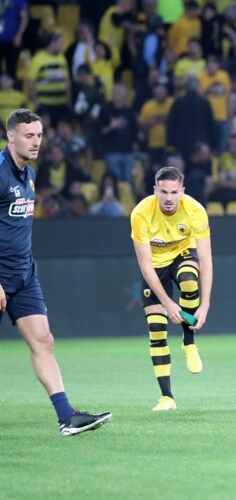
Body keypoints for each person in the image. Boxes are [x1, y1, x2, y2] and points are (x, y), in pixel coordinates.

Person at [0, 109, 111, 435]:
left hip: (24, 276)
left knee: (43, 341)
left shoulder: (30, 174)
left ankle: (67, 417)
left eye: (39, 135)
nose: (36, 141)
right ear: (11, 136)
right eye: (29, 135)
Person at [130, 166, 212, 411]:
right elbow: (146, 267)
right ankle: (167, 397)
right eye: (163, 192)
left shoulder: (195, 210)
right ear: (155, 190)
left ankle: (189, 343)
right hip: (155, 267)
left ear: (182, 192)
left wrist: (205, 305)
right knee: (156, 329)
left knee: (189, 279)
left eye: (174, 192)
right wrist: (168, 303)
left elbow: (206, 260)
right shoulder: (141, 214)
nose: (168, 198)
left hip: (181, 253)